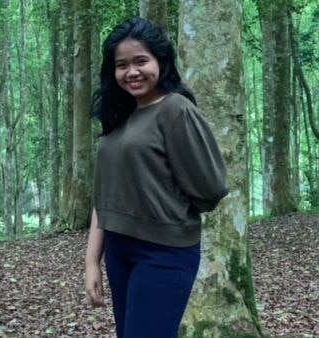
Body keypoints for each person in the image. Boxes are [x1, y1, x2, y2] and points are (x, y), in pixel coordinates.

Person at [85, 17, 229, 338]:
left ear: (160, 62)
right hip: (119, 250)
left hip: (164, 252)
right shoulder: (119, 118)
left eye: (141, 61)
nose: (132, 72)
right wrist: (92, 261)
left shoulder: (175, 110)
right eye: (122, 65)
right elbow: (104, 197)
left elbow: (210, 188)